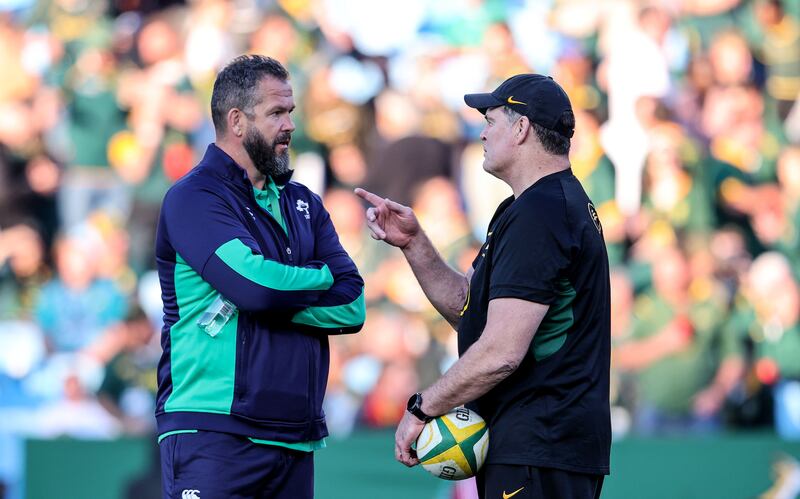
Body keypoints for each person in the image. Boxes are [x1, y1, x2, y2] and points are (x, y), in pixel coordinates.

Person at [356, 74, 611, 499]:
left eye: (490, 120)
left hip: (540, 444)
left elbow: (500, 352)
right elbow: (468, 308)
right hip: (535, 446)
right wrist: (414, 243)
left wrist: (424, 407)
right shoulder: (528, 206)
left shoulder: (543, 212)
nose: (482, 133)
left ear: (522, 128)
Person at [154, 55, 365, 499]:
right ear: (236, 120)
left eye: (290, 111)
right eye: (276, 113)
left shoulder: (303, 202)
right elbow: (256, 289)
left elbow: (353, 303)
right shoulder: (193, 197)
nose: (290, 124)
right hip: (213, 432)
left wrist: (268, 299)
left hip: (295, 436)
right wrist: (316, 276)